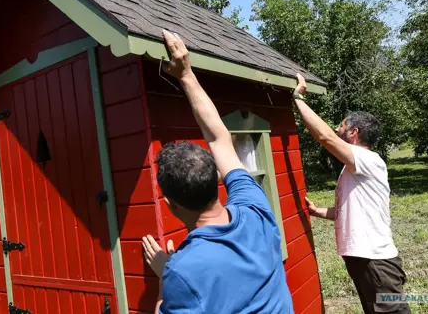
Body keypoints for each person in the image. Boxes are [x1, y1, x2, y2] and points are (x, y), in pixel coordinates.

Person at [141, 30, 294, 314]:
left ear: (170, 206)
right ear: (217, 181)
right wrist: (186, 74)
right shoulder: (255, 207)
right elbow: (219, 138)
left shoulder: (183, 272)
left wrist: (165, 275)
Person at [292, 74, 410, 314]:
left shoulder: (368, 159)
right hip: (363, 260)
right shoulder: (354, 167)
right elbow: (348, 211)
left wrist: (298, 99)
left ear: (354, 131)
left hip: (376, 261)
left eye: (342, 126)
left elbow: (324, 136)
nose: (337, 129)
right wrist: (317, 211)